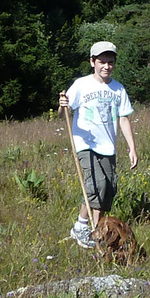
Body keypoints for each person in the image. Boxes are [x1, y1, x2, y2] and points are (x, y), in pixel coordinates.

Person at [59, 41, 139, 249]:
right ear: (92, 62)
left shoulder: (118, 89)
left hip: (108, 146)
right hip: (85, 143)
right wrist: (63, 107)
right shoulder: (81, 85)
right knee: (96, 185)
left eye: (110, 62)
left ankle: (97, 230)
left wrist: (131, 147)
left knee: (108, 189)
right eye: (101, 61)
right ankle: (81, 226)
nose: (106, 66)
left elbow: (123, 118)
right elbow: (64, 113)